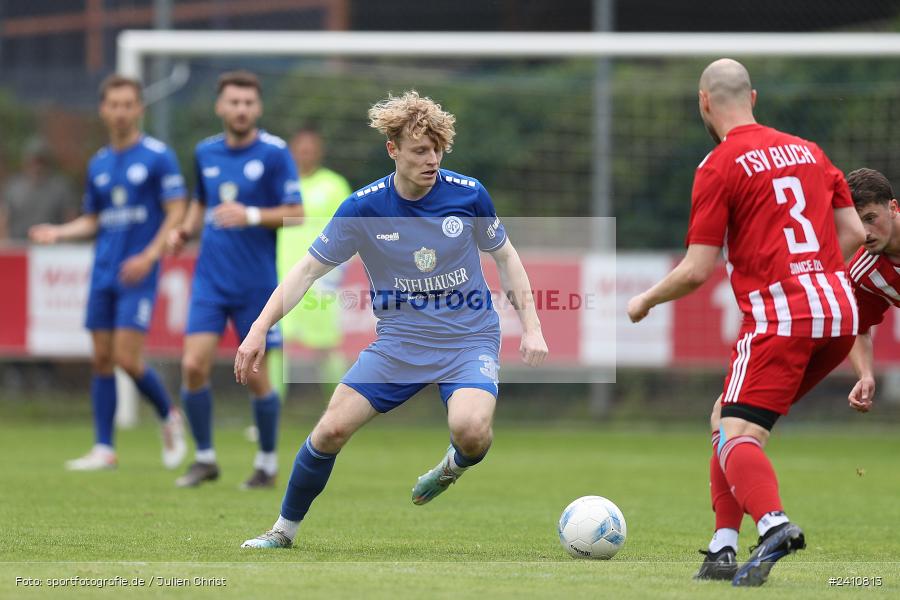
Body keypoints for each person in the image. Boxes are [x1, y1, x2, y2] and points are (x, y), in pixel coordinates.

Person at [235, 90, 549, 549]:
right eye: (420, 150)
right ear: (393, 149)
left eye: (437, 150)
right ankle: (282, 532)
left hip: (468, 340)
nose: (432, 159)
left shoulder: (468, 195)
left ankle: (452, 467)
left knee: (473, 433)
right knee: (329, 430)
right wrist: (259, 328)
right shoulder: (364, 208)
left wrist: (533, 325)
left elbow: (506, 257)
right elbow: (305, 271)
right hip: (399, 344)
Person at [626, 59, 865, 587]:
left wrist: (643, 300)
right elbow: (852, 231)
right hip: (838, 311)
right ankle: (723, 547)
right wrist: (812, 268)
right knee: (728, 419)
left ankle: (774, 524)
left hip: (782, 316)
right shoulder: (809, 150)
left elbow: (696, 270)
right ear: (753, 97)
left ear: (704, 102)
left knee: (736, 433)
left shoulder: (720, 164)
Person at [29, 75, 188, 471]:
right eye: (113, 105)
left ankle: (169, 414)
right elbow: (95, 219)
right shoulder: (99, 162)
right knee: (101, 358)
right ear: (103, 110)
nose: (120, 112)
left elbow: (176, 211)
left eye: (127, 105)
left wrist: (150, 257)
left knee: (126, 358)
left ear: (139, 109)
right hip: (104, 272)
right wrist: (59, 232)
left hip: (139, 273)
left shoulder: (157, 156)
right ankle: (104, 448)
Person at [167, 70, 302, 489]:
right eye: (233, 102)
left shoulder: (276, 153)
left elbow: (295, 213)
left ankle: (265, 463)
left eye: (248, 103)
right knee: (192, 366)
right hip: (210, 280)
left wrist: (252, 215)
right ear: (220, 107)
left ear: (257, 108)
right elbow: (200, 201)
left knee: (257, 377)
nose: (241, 109)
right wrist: (184, 230)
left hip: (256, 286)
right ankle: (205, 458)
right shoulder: (205, 152)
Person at [268, 125, 352, 402]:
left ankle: (344, 406)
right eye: (300, 149)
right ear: (292, 153)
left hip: (321, 279)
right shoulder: (279, 184)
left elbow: (349, 230)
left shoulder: (334, 185)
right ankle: (271, 409)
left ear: (319, 153)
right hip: (283, 274)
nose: (305, 154)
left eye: (311, 149)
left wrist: (337, 271)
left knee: (327, 344)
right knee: (276, 341)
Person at [844, 168, 900, 414]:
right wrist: (865, 375)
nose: (864, 233)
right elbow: (858, 328)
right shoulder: (863, 273)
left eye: (870, 218)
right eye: (855, 223)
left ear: (893, 208)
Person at [1, 137, 78, 242]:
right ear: (25, 161)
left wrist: (67, 246)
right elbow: (3, 220)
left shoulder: (60, 188)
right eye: (33, 160)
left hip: (51, 249)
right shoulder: (13, 187)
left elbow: (70, 219)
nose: (37, 166)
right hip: (18, 248)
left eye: (41, 161)